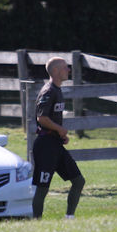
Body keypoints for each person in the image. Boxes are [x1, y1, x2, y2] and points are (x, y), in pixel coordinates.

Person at [31, 56, 85, 219]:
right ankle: (36, 223)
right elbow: (42, 118)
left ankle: (69, 218)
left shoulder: (58, 89)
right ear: (55, 70)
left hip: (55, 144)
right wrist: (60, 129)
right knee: (43, 187)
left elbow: (50, 119)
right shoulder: (48, 91)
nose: (68, 70)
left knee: (78, 181)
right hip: (45, 146)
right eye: (65, 67)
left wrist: (60, 134)